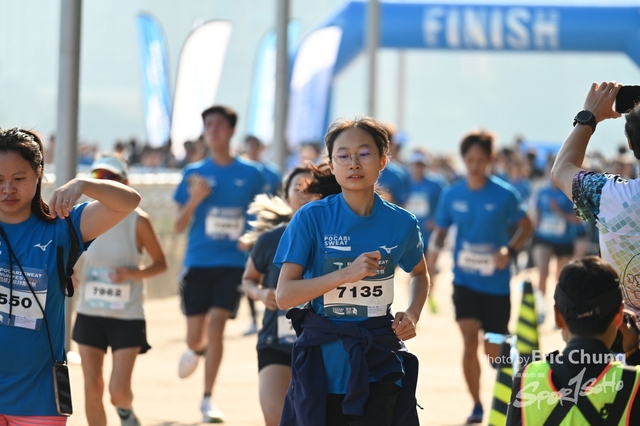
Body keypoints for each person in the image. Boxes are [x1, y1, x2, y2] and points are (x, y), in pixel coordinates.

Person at [274, 116, 430, 425]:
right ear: (332, 165)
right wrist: (345, 274)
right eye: (343, 156)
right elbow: (284, 296)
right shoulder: (311, 218)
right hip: (322, 368)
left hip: (378, 362)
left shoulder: (402, 223)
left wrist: (413, 313)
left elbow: (419, 273)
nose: (354, 163)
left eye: (364, 153)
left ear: (383, 160)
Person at [0, 128, 141, 423]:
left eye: (19, 178)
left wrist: (84, 184)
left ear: (39, 173)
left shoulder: (61, 226)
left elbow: (129, 202)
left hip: (39, 399)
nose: (8, 189)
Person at [428, 130, 534, 424]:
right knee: (468, 340)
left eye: (480, 160)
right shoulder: (452, 194)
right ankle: (476, 405)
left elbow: (527, 226)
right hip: (464, 281)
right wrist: (431, 261)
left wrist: (509, 250)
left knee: (493, 352)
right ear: (463, 160)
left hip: (496, 284)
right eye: (470, 160)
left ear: (490, 159)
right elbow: (440, 232)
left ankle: (511, 380)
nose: (474, 166)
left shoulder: (504, 194)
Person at [173, 105, 267, 423]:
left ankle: (207, 398)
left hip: (233, 263)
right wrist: (195, 199)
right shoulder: (193, 174)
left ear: (231, 131)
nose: (213, 130)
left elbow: (261, 215)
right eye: (208, 125)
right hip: (198, 261)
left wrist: (251, 239)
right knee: (195, 337)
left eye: (219, 124)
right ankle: (195, 349)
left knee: (217, 327)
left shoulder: (252, 173)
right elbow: (178, 225)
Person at [72, 154, 167, 426]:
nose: (104, 184)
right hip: (90, 311)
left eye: (112, 178)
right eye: (98, 178)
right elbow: (66, 251)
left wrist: (131, 273)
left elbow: (161, 263)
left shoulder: (139, 220)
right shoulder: (82, 217)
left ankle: (125, 412)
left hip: (127, 315)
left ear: (126, 183)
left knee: (118, 393)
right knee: (91, 387)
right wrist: (69, 271)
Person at [506, 256, 640, 425]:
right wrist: (634, 354)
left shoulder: (526, 379)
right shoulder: (634, 384)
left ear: (558, 317)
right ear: (619, 315)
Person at [551, 81, 640, 321]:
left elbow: (561, 170)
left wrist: (588, 117)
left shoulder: (610, 196)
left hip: (623, 334)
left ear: (631, 144)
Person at [241, 167, 316, 426]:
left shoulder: (337, 238)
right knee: (276, 418)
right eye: (298, 188)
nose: (305, 194)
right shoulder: (270, 239)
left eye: (313, 189)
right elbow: (248, 279)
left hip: (323, 343)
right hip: (276, 342)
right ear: (286, 197)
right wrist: (261, 293)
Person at [405, 149, 444, 313]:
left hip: (429, 235)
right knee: (412, 271)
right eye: (416, 164)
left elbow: (444, 204)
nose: (418, 168)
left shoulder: (435, 184)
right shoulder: (405, 183)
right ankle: (412, 306)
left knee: (429, 269)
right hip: (410, 235)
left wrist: (435, 219)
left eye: (421, 165)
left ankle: (431, 295)